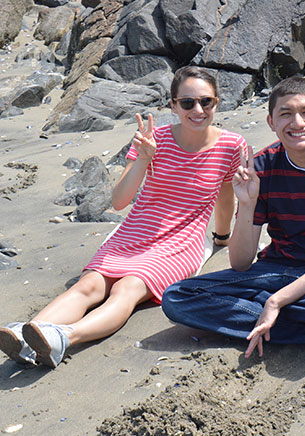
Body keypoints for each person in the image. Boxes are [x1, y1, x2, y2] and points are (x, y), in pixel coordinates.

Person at [0, 66, 246, 368]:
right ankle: (28, 335)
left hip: (180, 243)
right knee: (88, 285)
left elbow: (225, 196)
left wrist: (222, 237)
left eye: (206, 102)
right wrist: (144, 158)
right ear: (173, 105)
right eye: (187, 103)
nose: (198, 109)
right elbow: (119, 202)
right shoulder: (151, 139)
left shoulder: (231, 146)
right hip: (133, 232)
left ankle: (64, 337)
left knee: (126, 288)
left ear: (216, 103)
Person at [161, 76, 305, 358]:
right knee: (177, 298)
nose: (297, 123)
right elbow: (240, 263)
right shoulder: (261, 166)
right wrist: (247, 203)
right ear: (271, 122)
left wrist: (276, 301)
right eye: (285, 114)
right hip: (275, 271)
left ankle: (269, 314)